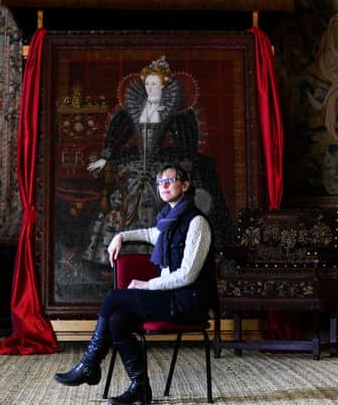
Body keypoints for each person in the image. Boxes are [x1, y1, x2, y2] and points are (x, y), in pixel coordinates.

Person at [54, 164, 218, 405]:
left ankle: (89, 364)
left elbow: (187, 275)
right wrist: (120, 236)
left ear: (185, 185)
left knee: (112, 299)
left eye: (170, 180)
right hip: (171, 298)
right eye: (160, 182)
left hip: (187, 302)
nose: (164, 185)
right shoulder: (169, 220)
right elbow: (151, 234)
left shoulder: (197, 223)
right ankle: (140, 387)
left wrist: (148, 285)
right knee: (116, 319)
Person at [81, 56, 233, 269]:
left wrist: (184, 165)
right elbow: (120, 133)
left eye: (155, 84)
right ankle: (120, 259)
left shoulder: (175, 113)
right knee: (126, 193)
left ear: (164, 86)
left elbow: (185, 144)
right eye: (148, 84)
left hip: (160, 164)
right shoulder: (134, 111)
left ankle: (160, 256)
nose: (151, 87)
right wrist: (105, 157)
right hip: (135, 164)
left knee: (160, 194)